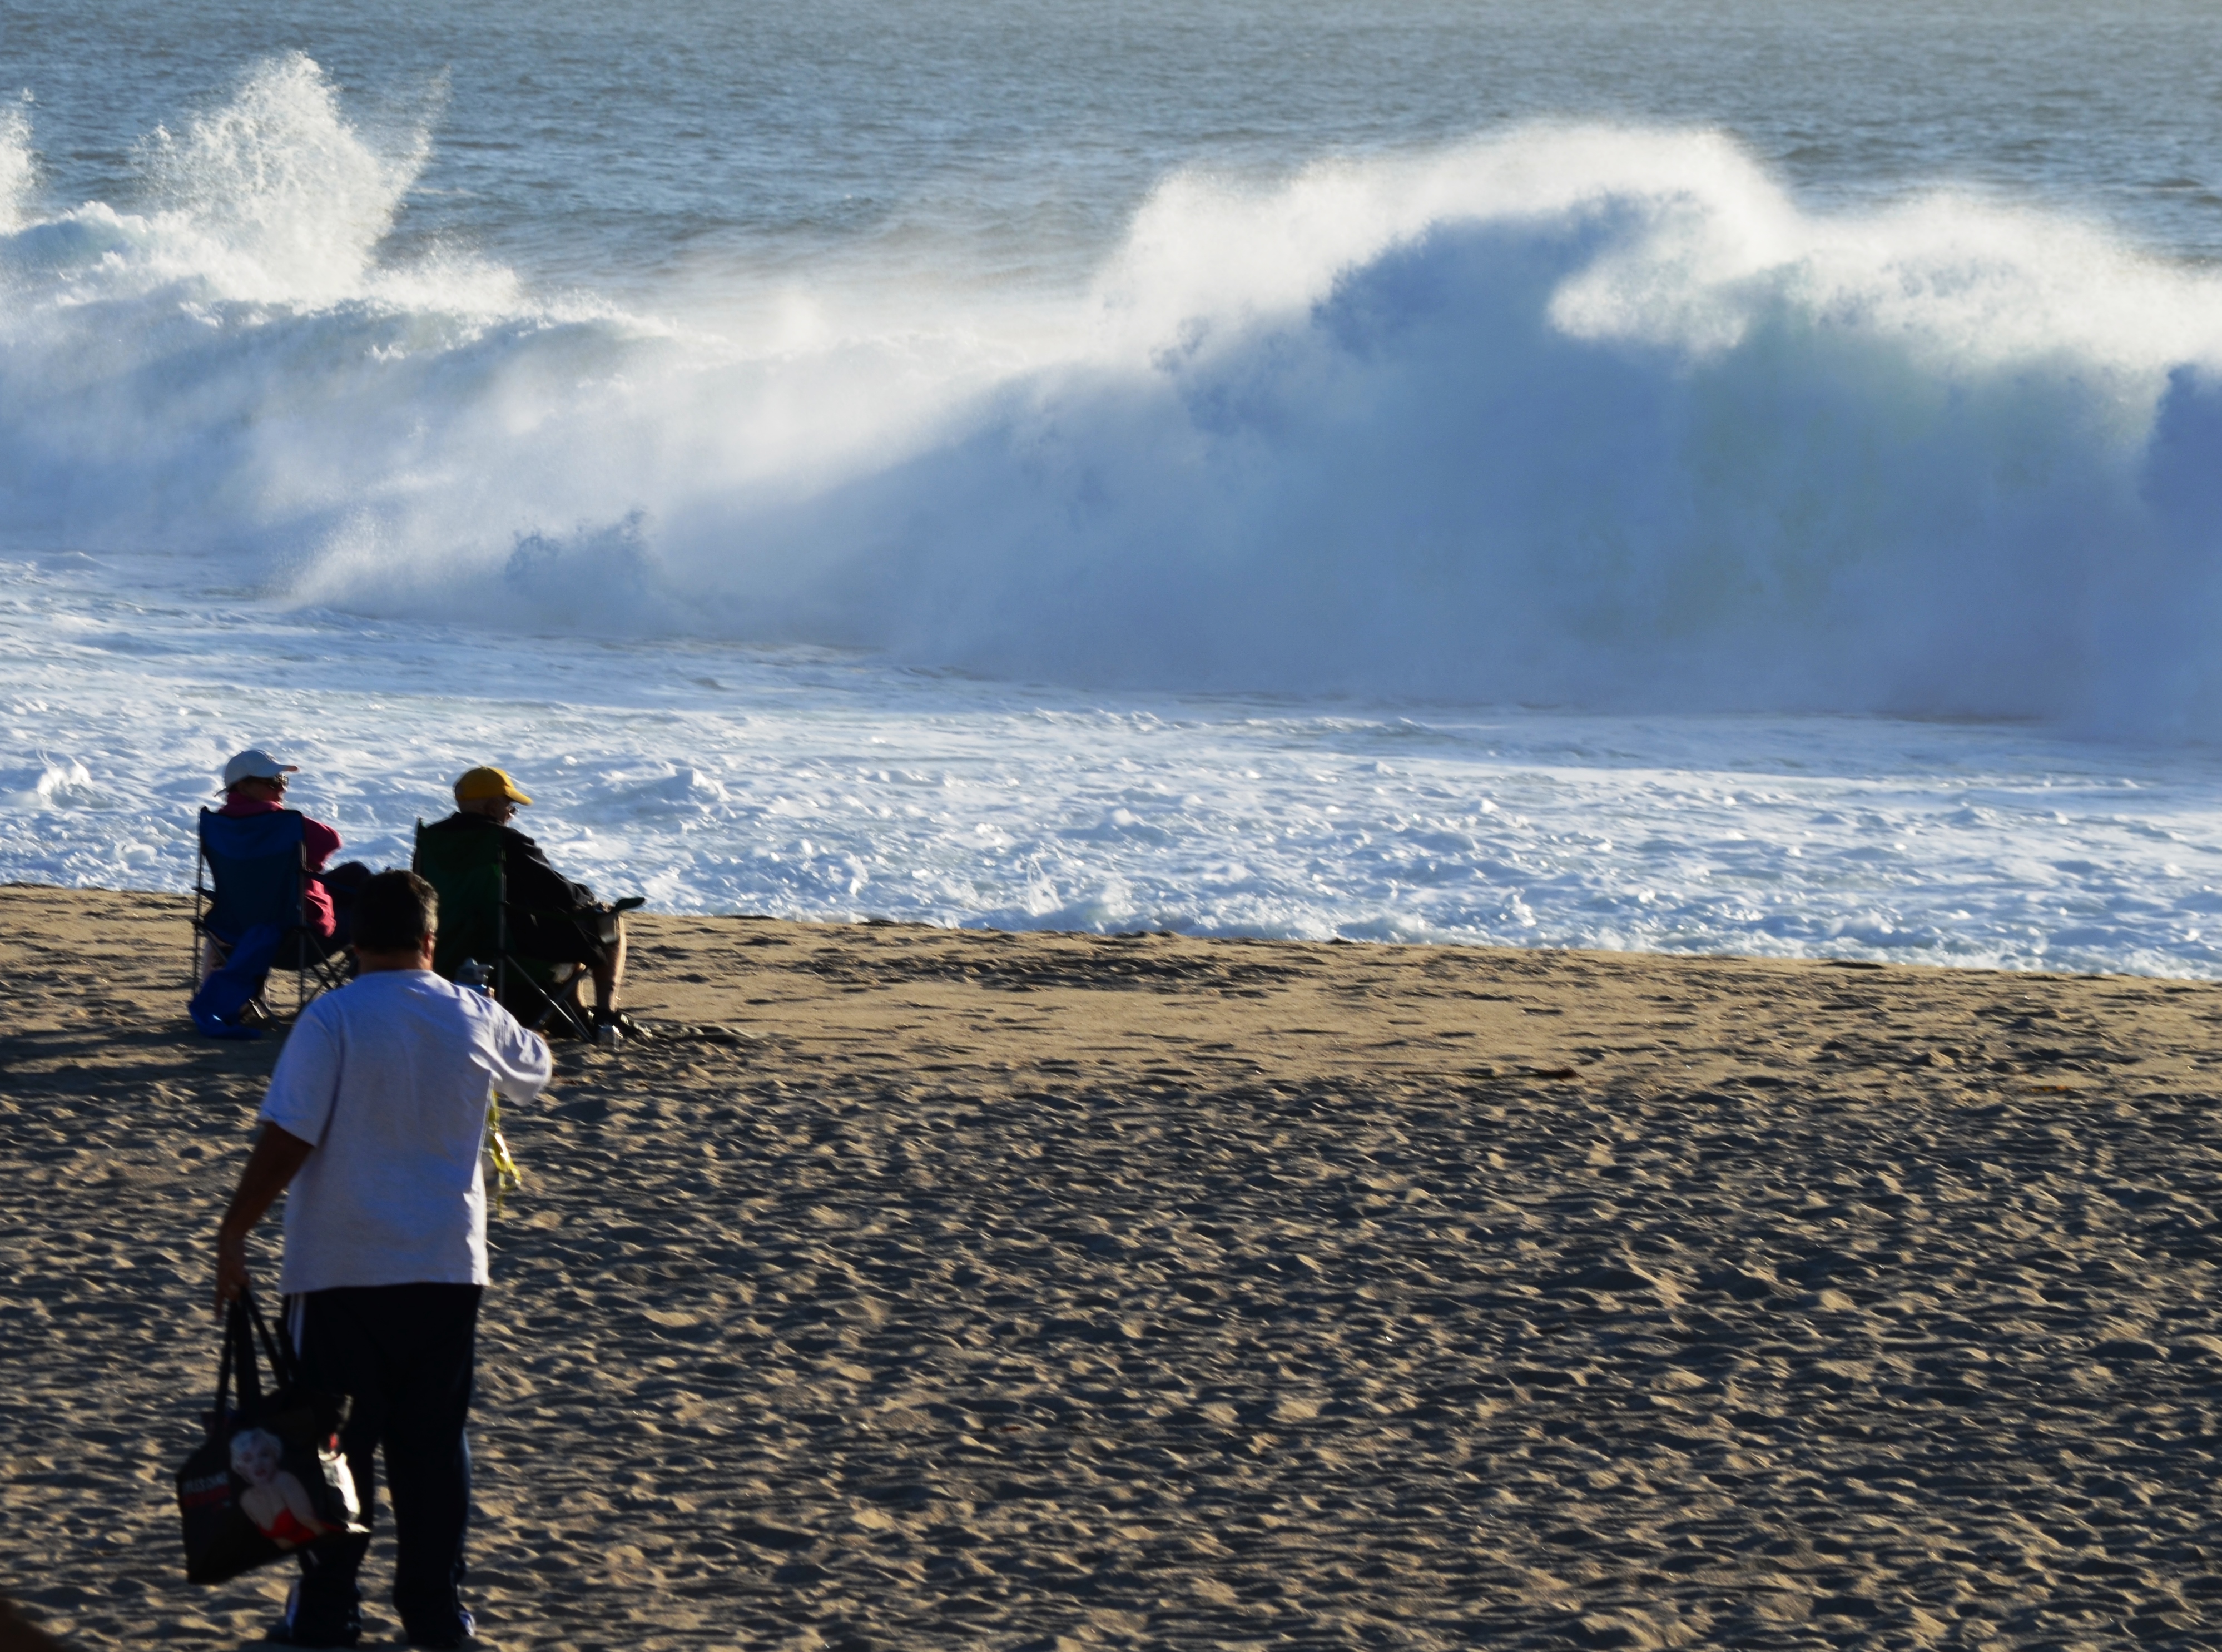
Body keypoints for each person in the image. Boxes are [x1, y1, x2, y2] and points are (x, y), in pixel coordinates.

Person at [213, 869, 552, 1649]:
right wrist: (479, 1006)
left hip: (340, 1264)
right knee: (433, 1445)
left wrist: (236, 1230)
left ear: (354, 939)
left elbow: (291, 1133)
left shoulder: (334, 1016)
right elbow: (536, 1066)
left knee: (336, 1444)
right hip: (444, 1263)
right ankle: (436, 1611)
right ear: (431, 939)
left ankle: (330, 1609)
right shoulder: (473, 1011)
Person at [416, 766, 637, 1038]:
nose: (511, 814)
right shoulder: (506, 841)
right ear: (493, 807)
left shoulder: (431, 839)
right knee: (607, 922)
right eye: (510, 807)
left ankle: (575, 1013)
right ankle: (607, 1014)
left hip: (445, 953)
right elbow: (564, 895)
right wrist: (590, 898)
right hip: (509, 955)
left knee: (569, 935)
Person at [211, 748, 371, 950]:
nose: (282, 789)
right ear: (243, 786)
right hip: (296, 932)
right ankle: (370, 973)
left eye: (283, 780)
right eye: (273, 782)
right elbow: (331, 841)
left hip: (236, 926)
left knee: (355, 872)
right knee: (372, 906)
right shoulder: (279, 821)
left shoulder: (218, 824)